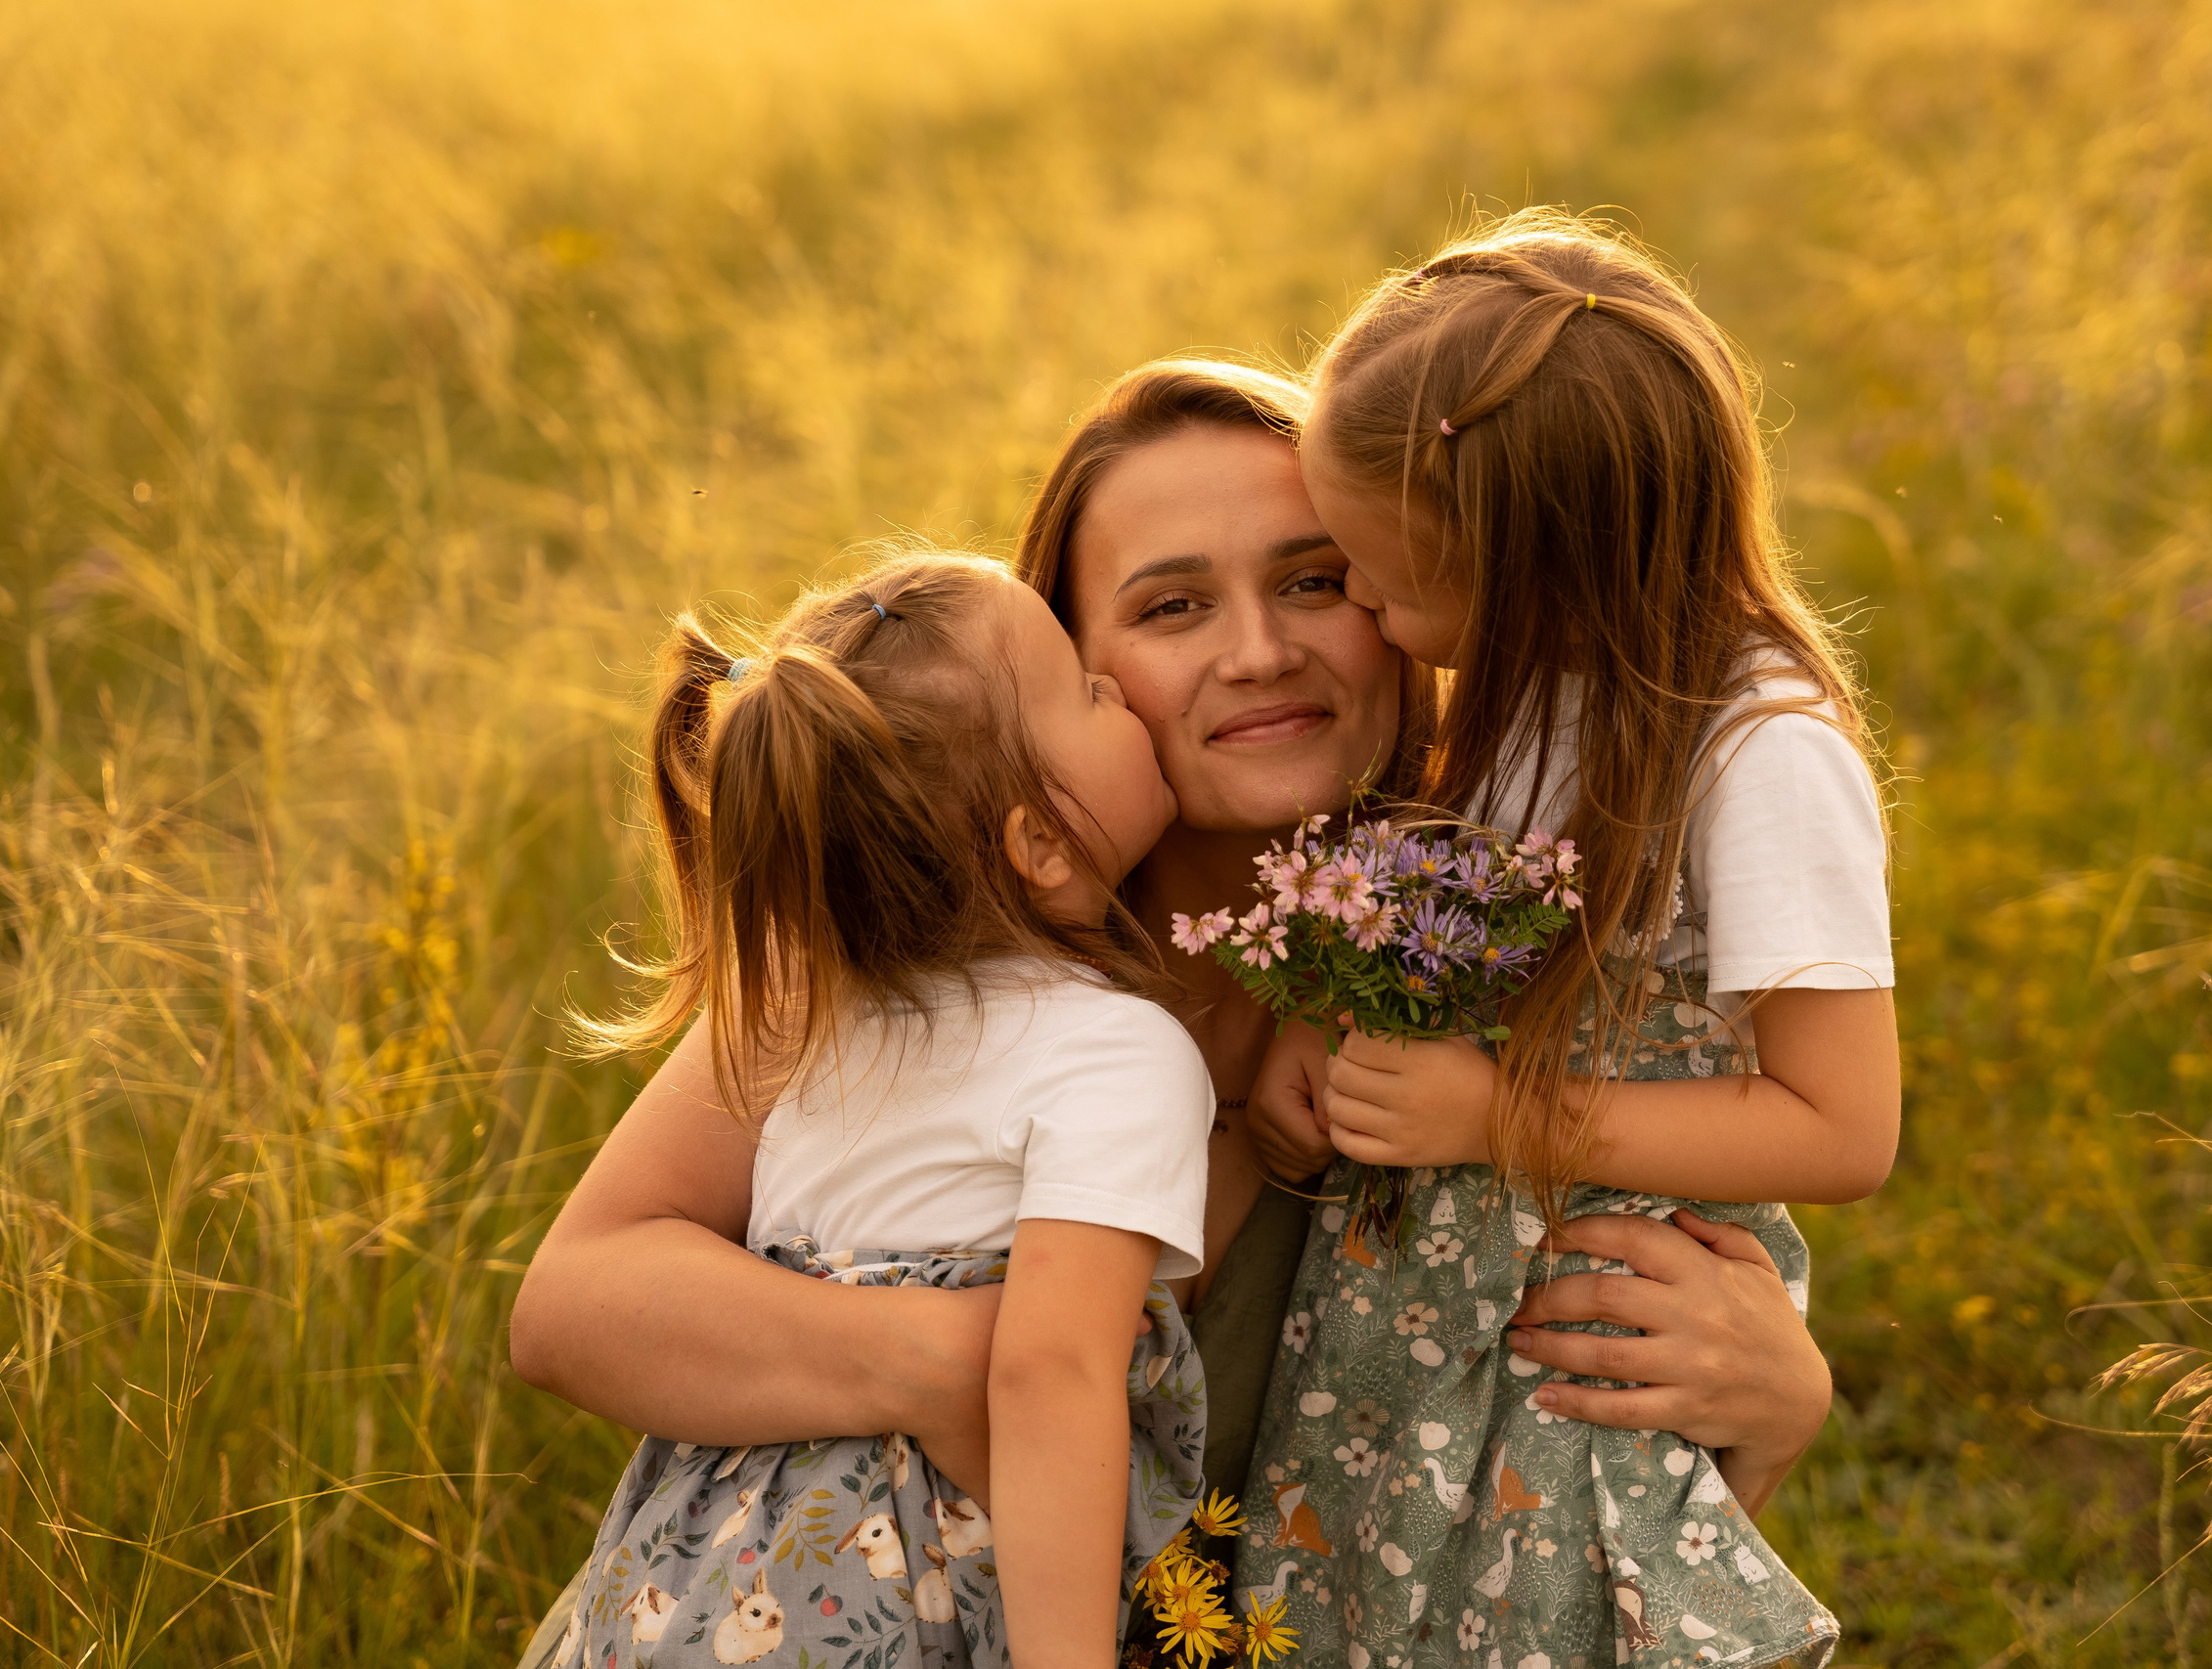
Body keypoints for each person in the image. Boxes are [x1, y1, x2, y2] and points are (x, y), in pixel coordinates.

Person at [509, 357, 1839, 1667]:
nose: (1261, 652)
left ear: (1400, 592)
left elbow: (1548, 1544)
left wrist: (1776, 1410)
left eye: (1314, 579)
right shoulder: (910, 955)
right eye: (1171, 608)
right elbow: (576, 1300)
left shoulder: (1482, 962)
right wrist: (974, 1357)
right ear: (1070, 666)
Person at [1237, 212, 1899, 1666]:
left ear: (1542, 568)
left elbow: (1842, 1125)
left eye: (1386, 574)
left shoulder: (1758, 754)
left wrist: (1499, 1109)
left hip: (1591, 1314)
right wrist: (1328, 1016)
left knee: (1552, 1616)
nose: (1362, 606)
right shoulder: (1526, 686)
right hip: (1424, 1323)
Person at [545, 552, 1212, 1669]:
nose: (1118, 689)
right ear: (1038, 843)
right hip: (889, 1594)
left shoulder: (821, 1036)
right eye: (1086, 690)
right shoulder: (1119, 1051)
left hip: (685, 1590)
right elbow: (1053, 1375)